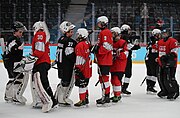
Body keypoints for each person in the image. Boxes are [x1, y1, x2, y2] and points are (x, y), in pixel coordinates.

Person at [31, 21, 57, 112]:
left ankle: (48, 101)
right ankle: (53, 100)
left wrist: (32, 57)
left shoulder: (39, 34)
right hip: (43, 62)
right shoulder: (43, 34)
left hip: (41, 62)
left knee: (40, 83)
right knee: (43, 82)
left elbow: (39, 50)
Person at [3, 21, 27, 104]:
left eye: (22, 32)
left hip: (10, 62)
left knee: (13, 78)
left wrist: (21, 56)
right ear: (15, 31)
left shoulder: (14, 39)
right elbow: (12, 49)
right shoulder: (13, 39)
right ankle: (15, 96)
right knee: (19, 78)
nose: (21, 34)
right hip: (12, 62)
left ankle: (8, 96)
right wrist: (18, 48)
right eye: (20, 32)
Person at [54, 21, 77, 106]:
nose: (72, 31)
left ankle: (58, 97)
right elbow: (69, 53)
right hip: (66, 65)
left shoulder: (61, 39)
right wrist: (76, 60)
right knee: (66, 82)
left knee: (63, 81)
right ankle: (61, 99)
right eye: (71, 30)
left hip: (61, 64)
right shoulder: (69, 41)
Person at [92, 16, 113, 106]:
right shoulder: (103, 32)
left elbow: (107, 46)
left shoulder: (105, 32)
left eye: (99, 23)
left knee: (104, 78)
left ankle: (106, 96)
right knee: (101, 78)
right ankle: (104, 95)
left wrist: (98, 50)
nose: (98, 24)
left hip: (105, 60)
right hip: (102, 60)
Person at [157, 29, 179, 100]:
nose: (164, 35)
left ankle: (174, 92)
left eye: (166, 34)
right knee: (161, 78)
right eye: (163, 34)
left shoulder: (173, 41)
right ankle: (165, 90)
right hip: (161, 63)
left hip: (170, 63)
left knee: (169, 78)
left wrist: (167, 57)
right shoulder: (160, 42)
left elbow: (174, 53)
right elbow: (158, 51)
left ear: (169, 34)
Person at [73, 28, 92, 107]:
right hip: (88, 69)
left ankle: (82, 100)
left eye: (78, 34)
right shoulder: (87, 43)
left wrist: (78, 68)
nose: (77, 36)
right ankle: (85, 99)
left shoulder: (80, 45)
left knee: (82, 85)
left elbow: (80, 57)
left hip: (83, 68)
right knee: (85, 84)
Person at [120, 24, 140, 95]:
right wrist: (136, 46)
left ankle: (119, 87)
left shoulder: (120, 36)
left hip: (121, 57)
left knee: (120, 73)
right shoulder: (125, 37)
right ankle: (124, 88)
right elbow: (128, 46)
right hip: (126, 57)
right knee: (128, 73)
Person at [110, 27, 128, 102]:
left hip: (120, 65)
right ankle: (115, 94)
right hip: (113, 65)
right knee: (112, 80)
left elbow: (126, 53)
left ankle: (118, 95)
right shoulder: (111, 42)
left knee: (117, 79)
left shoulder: (122, 42)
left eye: (113, 33)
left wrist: (118, 55)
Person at [144, 29, 161, 94]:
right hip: (152, 58)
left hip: (148, 58)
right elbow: (155, 50)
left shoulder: (150, 41)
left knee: (149, 73)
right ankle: (151, 86)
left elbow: (148, 48)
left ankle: (149, 86)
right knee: (154, 73)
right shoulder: (155, 41)